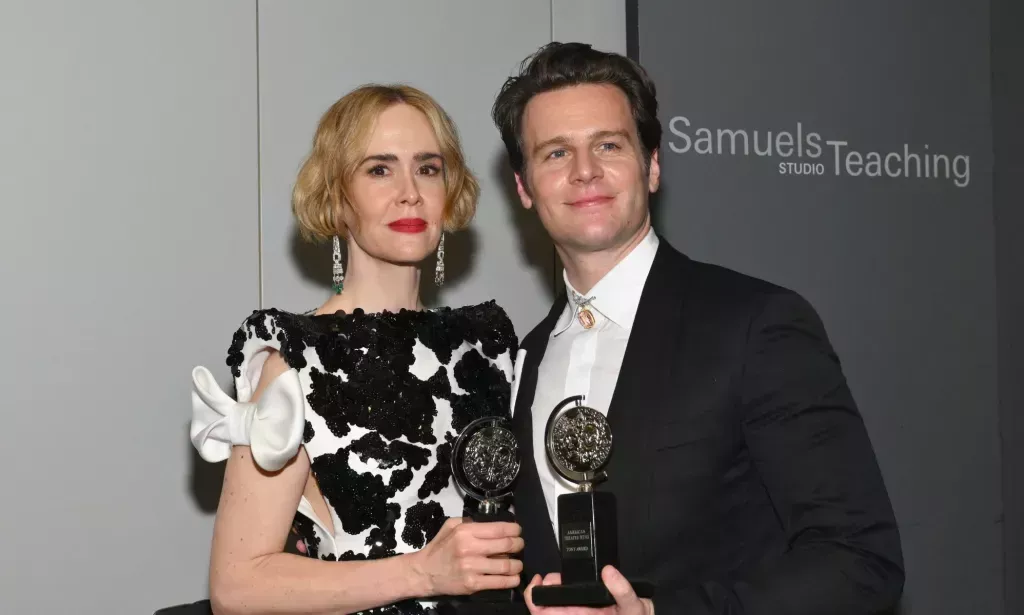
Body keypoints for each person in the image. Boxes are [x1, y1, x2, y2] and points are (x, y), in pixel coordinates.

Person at [492, 42, 905, 614]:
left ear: (652, 164)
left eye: (608, 145)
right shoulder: (524, 360)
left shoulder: (755, 323)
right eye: (556, 153)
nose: (585, 171)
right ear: (524, 188)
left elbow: (860, 562)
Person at [189, 84, 524, 615]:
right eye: (379, 169)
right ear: (337, 198)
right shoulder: (295, 359)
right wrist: (422, 572)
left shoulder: (487, 345)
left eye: (429, 168)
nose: (410, 192)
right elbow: (237, 586)